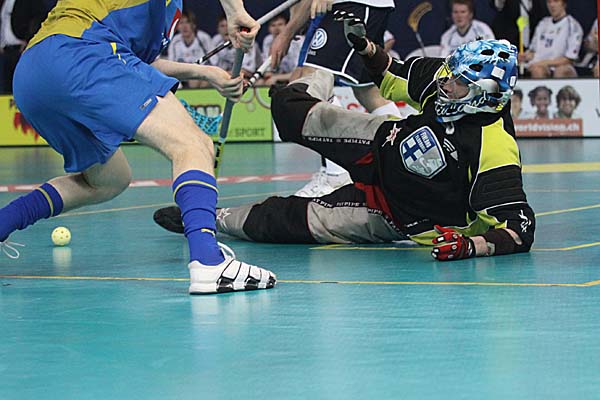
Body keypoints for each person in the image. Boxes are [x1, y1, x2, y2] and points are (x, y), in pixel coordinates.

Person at [154, 31, 536, 261]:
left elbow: (519, 228)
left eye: (459, 83)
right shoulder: (446, 79)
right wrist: (367, 49)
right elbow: (393, 75)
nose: (445, 84)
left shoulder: (495, 147)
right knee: (288, 107)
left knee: (285, 220)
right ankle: (323, 67)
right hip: (383, 140)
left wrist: (472, 247)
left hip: (395, 213)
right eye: (450, 73)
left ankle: (210, 219)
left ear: (486, 95)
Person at [0, 0, 276, 294]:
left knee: (108, 179)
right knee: (193, 144)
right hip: (81, 55)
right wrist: (235, 12)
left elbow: (136, 60)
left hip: (33, 74)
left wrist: (208, 73)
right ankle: (209, 262)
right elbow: (102, 51)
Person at [268, 0, 402, 198]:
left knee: (315, 80)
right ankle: (405, 161)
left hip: (351, 5)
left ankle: (336, 176)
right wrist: (297, 23)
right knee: (368, 91)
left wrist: (286, 33)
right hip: (368, 6)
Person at [518, 0, 583, 78]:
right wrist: (525, 56)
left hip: (561, 66)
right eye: (549, 2)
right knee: (537, 70)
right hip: (540, 65)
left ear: (564, 4)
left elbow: (569, 59)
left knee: (561, 71)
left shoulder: (572, 25)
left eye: (556, 1)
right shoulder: (542, 23)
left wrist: (543, 63)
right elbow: (533, 51)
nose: (552, 5)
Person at [166, 10, 213, 88]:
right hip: (182, 75)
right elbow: (171, 64)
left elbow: (214, 61)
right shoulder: (175, 41)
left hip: (202, 73)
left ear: (194, 25)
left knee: (200, 82)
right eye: (181, 23)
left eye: (187, 22)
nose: (184, 26)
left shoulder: (203, 38)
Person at [260, 13, 303, 86]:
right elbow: (267, 69)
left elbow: (299, 71)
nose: (276, 28)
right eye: (273, 25)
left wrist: (276, 77)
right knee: (260, 82)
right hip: (279, 77)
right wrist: (268, 73)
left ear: (287, 26)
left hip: (297, 77)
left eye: (280, 24)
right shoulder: (267, 40)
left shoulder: (298, 41)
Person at [211, 13, 257, 79]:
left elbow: (248, 72)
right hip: (224, 77)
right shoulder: (216, 41)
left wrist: (223, 75)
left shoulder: (246, 41)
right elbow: (213, 68)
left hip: (247, 78)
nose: (226, 29)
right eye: (222, 26)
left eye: (228, 25)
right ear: (218, 29)